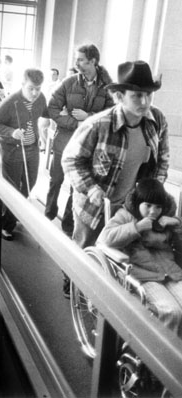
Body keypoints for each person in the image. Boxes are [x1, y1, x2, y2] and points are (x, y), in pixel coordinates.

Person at [62, 60, 169, 251]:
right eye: (137, 96)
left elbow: (163, 158)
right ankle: (70, 282)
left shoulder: (157, 120)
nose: (144, 102)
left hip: (130, 209)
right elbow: (71, 160)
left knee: (116, 258)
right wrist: (91, 189)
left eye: (148, 95)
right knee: (85, 254)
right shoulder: (98, 125)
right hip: (94, 208)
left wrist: (155, 189)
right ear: (120, 96)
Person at [97, 178, 182, 337]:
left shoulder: (166, 219)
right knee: (172, 311)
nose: (153, 211)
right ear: (138, 203)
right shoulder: (126, 215)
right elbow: (105, 238)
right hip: (143, 274)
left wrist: (176, 224)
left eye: (158, 207)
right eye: (148, 205)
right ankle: (161, 354)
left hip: (169, 271)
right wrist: (136, 227)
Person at [46, 44, 113, 233]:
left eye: (80, 59)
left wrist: (88, 117)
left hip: (89, 145)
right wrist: (74, 123)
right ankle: (48, 212)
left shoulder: (108, 87)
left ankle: (68, 224)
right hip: (64, 139)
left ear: (92, 61)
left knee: (78, 184)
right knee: (56, 178)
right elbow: (52, 108)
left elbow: (110, 115)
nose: (76, 62)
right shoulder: (68, 83)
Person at [0, 68, 48, 241]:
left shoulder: (41, 98)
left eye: (38, 88)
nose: (35, 93)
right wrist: (11, 132)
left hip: (32, 148)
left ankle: (15, 213)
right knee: (12, 188)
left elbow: (47, 112)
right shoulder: (11, 102)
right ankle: (6, 224)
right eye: (31, 88)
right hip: (12, 149)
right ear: (22, 84)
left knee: (29, 184)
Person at [38, 68, 61, 152]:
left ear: (57, 75)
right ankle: (44, 145)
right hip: (46, 108)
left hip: (55, 108)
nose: (52, 76)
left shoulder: (60, 84)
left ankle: (51, 147)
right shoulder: (46, 84)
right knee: (42, 126)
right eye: (51, 74)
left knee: (53, 128)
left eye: (54, 74)